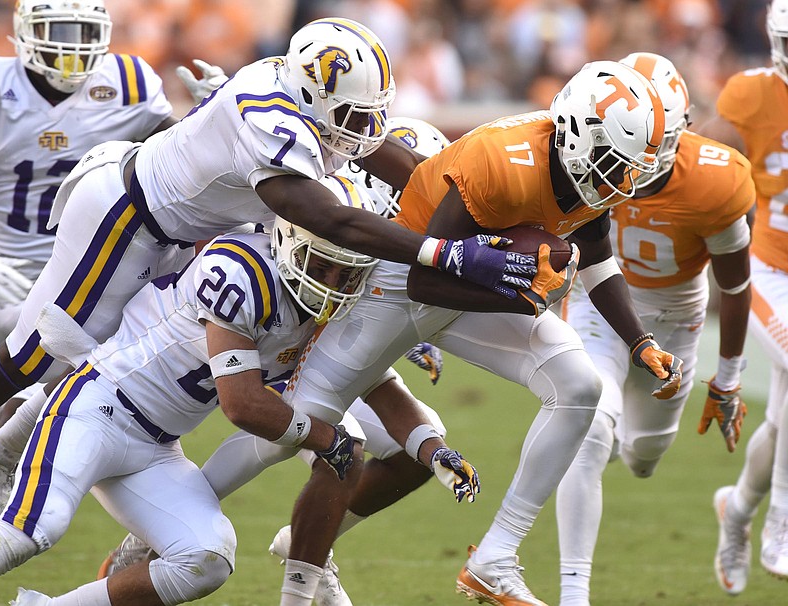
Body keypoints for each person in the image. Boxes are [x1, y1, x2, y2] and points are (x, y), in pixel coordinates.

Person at [177, 60, 683, 606]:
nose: (621, 180)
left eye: (629, 168)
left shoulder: (585, 174)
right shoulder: (503, 164)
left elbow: (599, 260)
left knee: (580, 386)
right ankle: (168, 522)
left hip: (471, 284)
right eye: (613, 162)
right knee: (293, 425)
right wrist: (519, 292)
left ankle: (496, 557)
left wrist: (639, 342)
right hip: (399, 288)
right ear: (579, 136)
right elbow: (425, 280)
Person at [0, 16, 527, 520]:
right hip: (130, 219)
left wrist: (491, 223)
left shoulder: (310, 98)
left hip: (189, 232)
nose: (364, 128)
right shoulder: (269, 116)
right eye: (353, 115)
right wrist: (447, 255)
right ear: (314, 95)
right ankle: (0, 454)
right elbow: (327, 219)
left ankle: (7, 448)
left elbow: (412, 173)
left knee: (102, 360)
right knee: (33, 354)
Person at [0, 176, 479, 606]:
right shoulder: (243, 269)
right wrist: (327, 439)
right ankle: (6, 447)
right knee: (32, 531)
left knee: (206, 558)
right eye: (321, 263)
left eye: (345, 272)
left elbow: (378, 386)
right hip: (98, 406)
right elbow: (242, 403)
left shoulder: (335, 301)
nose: (330, 283)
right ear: (289, 238)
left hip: (157, 447)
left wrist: (435, 451)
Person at [96, 116, 456, 606]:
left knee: (405, 438)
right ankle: (165, 537)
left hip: (312, 351)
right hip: (255, 343)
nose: (414, 225)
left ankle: (308, 549)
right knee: (306, 429)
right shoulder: (309, 221)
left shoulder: (368, 241)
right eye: (412, 206)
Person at [553, 52, 753, 606]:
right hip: (598, 300)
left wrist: (729, 376)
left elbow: (735, 285)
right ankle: (575, 593)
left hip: (676, 316)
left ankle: (614, 440)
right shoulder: (580, 149)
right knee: (589, 427)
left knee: (643, 456)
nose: (637, 159)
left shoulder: (714, 181)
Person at [0, 0, 182, 432]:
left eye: (84, 33)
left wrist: (215, 116)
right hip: (1, 267)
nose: (71, 47)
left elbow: (179, 157)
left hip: (86, 270)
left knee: (28, 403)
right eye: (57, 30)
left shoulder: (127, 83)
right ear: (24, 29)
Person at [700, 0, 788, 591]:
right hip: (772, 270)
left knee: (782, 423)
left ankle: (738, 511)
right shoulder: (752, 95)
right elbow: (703, 172)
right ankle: (782, 528)